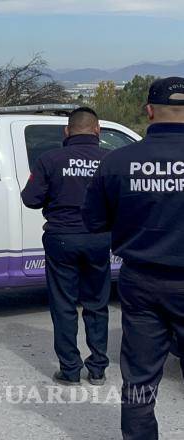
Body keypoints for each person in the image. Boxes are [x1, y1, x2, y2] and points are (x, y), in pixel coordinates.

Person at [83, 77, 184, 440]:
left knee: (139, 381)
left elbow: (93, 221)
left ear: (149, 110)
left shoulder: (118, 161)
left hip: (141, 281)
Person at [21, 107, 112, 386]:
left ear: (67, 131)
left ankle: (70, 370)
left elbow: (31, 199)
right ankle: (97, 369)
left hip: (61, 238)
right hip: (98, 238)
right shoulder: (111, 159)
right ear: (97, 131)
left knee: (64, 304)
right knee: (97, 303)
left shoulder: (50, 159)